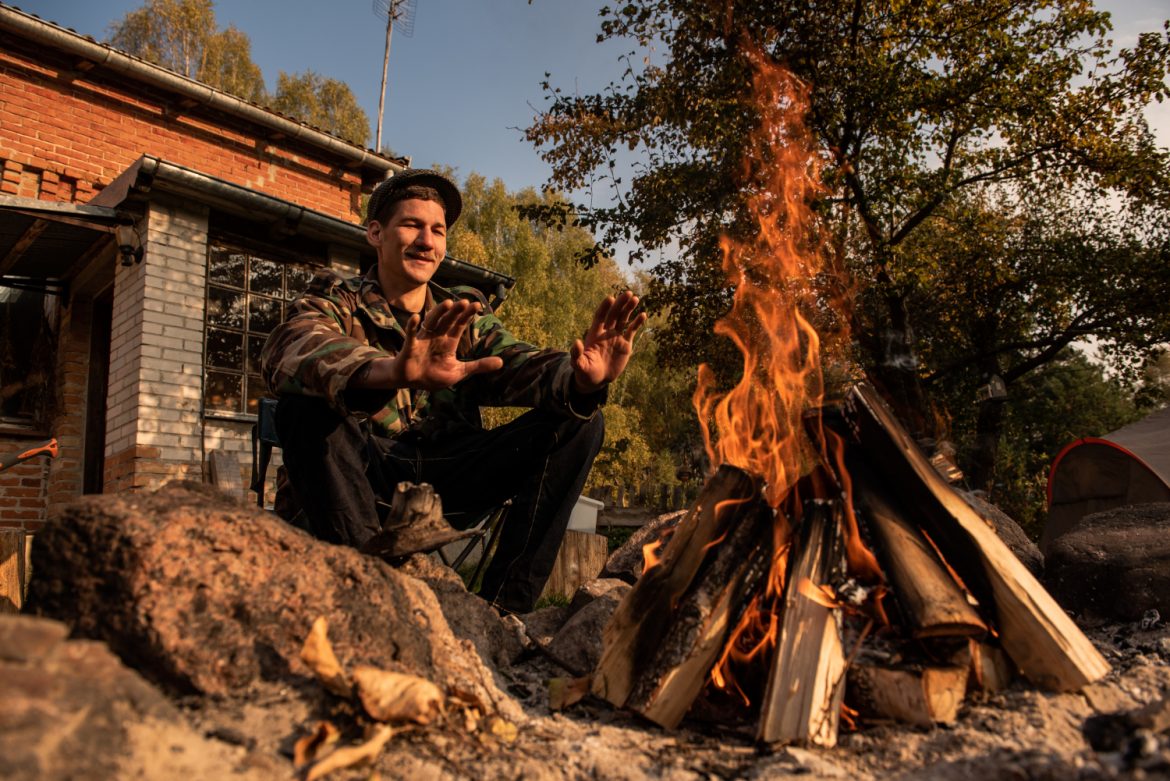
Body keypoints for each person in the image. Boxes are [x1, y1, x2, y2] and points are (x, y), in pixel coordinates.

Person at [261, 169, 647, 613]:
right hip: (362, 474)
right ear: (376, 233)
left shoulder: (461, 312)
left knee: (582, 420)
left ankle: (504, 611)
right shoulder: (335, 300)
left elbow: (514, 361)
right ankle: (373, 592)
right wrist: (389, 371)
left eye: (438, 230)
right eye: (412, 225)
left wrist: (578, 378)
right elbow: (289, 349)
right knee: (303, 408)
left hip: (450, 474)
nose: (426, 241)